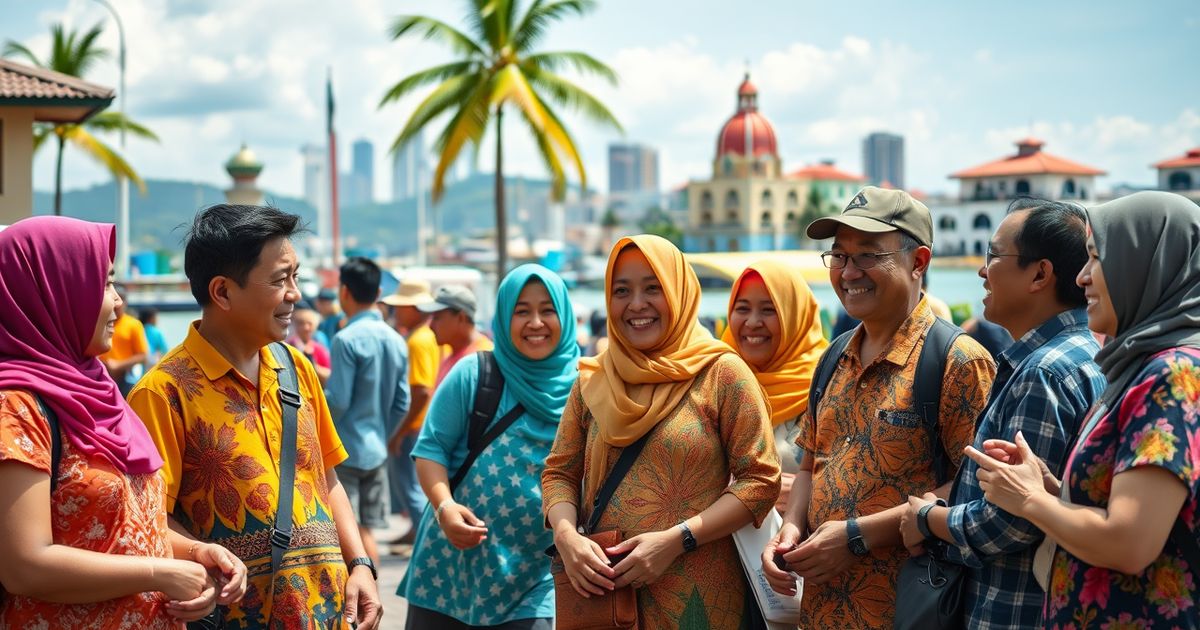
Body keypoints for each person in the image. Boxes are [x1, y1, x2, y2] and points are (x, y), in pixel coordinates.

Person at [128, 204, 382, 629]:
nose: (295, 294)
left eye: (296, 276)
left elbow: (327, 478)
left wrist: (359, 564)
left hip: (329, 611)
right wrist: (198, 558)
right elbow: (148, 519)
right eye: (280, 280)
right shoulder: (163, 392)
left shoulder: (296, 368)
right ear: (223, 292)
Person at [762, 186, 995, 628]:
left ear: (918, 262)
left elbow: (977, 489)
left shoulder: (957, 361)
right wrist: (791, 529)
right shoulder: (833, 358)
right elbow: (812, 465)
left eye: (868, 255)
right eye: (839, 256)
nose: (849, 272)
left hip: (911, 609)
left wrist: (856, 537)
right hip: (822, 613)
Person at [966, 191, 1200, 629]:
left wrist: (1030, 499)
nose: (1082, 278)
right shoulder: (1136, 368)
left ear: (1145, 265)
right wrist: (1050, 488)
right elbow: (1109, 509)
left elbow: (1128, 542)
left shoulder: (1171, 374)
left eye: (1097, 259)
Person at [0, 216, 247, 628]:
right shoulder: (18, 408)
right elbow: (25, 564)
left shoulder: (101, 391)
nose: (118, 303)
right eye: (103, 283)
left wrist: (193, 553)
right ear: (51, 290)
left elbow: (121, 529)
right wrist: (159, 573)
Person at [543, 235, 781, 630]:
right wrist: (567, 537)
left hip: (700, 600)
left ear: (679, 291)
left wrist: (676, 540)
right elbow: (559, 473)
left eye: (653, 288)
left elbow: (760, 480)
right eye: (622, 291)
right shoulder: (593, 380)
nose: (636, 304)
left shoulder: (722, 374)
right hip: (605, 596)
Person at [898, 198, 1107, 628]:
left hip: (1014, 610)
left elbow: (1010, 521)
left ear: (1039, 274)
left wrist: (927, 518)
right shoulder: (1089, 351)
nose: (981, 270)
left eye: (994, 255)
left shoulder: (1043, 372)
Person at [401, 264, 579, 629]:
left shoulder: (588, 387)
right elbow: (430, 450)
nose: (535, 323)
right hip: (449, 574)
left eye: (547, 310)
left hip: (537, 575)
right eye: (521, 311)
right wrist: (445, 507)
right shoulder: (475, 374)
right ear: (503, 316)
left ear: (564, 314)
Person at [324, 257, 410, 568]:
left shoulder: (345, 339)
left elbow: (338, 400)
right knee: (366, 529)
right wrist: (385, 434)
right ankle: (371, 598)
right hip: (377, 448)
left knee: (351, 533)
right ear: (377, 292)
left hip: (345, 449)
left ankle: (366, 598)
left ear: (344, 291)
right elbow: (403, 401)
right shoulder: (396, 339)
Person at [722, 259, 828, 512]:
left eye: (769, 310)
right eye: (743, 308)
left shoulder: (832, 383)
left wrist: (810, 493)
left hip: (804, 544)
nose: (753, 322)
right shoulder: (715, 381)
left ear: (795, 315)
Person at [381, 278, 439, 528]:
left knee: (412, 489)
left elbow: (422, 391)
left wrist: (400, 431)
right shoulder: (424, 336)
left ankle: (421, 538)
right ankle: (415, 532)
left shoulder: (418, 341)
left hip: (415, 426)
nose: (397, 311)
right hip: (421, 423)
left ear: (415, 309)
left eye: (401, 306)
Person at [419, 285, 493, 386]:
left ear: (461, 318)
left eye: (437, 318)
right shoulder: (451, 353)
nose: (430, 326)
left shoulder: (482, 361)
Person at [100, 284, 150, 397]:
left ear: (125, 302)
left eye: (120, 299)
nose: (116, 305)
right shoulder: (100, 322)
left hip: (125, 378)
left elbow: (143, 356)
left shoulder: (134, 325)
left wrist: (119, 365)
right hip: (102, 375)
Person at [287, 305, 331, 383]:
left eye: (309, 324)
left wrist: (313, 365)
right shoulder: (288, 346)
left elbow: (329, 375)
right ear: (295, 325)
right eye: (301, 323)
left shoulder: (319, 349)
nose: (306, 328)